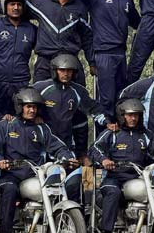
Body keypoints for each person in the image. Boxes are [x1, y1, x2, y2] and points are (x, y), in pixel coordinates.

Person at [35, 0, 140, 127]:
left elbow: (138, 24)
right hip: (103, 54)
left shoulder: (128, 0)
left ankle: (119, 139)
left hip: (121, 54)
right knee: (105, 101)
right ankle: (102, 140)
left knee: (121, 97)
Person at [0, 88, 77, 233]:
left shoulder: (42, 128)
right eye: (28, 106)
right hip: (10, 173)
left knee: (54, 188)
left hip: (34, 173)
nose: (32, 110)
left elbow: (57, 145)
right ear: (20, 107)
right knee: (9, 189)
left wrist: (67, 157)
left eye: (34, 107)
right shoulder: (6, 125)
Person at [89, 98, 154, 233]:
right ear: (122, 115)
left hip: (138, 177)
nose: (133, 118)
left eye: (136, 115)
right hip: (114, 177)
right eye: (130, 115)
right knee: (113, 193)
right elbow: (95, 148)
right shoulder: (113, 133)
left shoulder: (145, 135)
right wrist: (104, 160)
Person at [0, 0, 95, 84]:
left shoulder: (80, 8)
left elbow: (86, 37)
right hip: (45, 60)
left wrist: (92, 63)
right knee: (40, 95)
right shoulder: (42, 2)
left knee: (79, 94)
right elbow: (18, 8)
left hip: (70, 59)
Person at [32, 53, 109, 199]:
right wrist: (35, 117)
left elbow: (94, 109)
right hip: (42, 148)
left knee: (82, 177)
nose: (66, 74)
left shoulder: (78, 91)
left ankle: (87, 208)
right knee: (46, 189)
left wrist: (108, 123)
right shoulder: (40, 87)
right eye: (62, 70)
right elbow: (24, 103)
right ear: (55, 71)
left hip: (68, 148)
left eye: (69, 71)